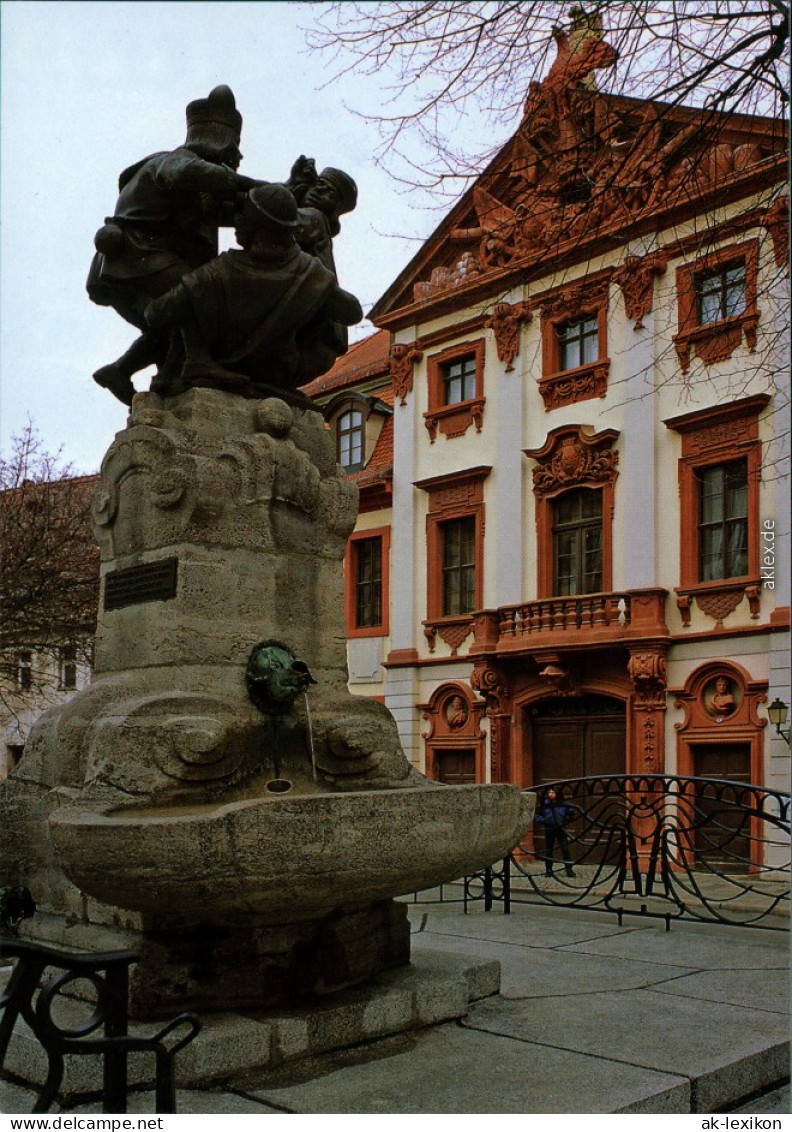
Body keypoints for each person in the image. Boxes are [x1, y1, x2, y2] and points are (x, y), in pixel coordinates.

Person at [87, 84, 262, 405]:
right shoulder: (172, 162)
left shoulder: (192, 185)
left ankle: (127, 372)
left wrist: (284, 192)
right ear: (218, 143)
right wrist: (261, 188)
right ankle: (197, 364)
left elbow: (230, 208)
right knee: (200, 289)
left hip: (133, 262)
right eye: (233, 149)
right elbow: (193, 174)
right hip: (136, 254)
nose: (237, 158)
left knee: (173, 322)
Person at [143, 183, 363, 395]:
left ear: (256, 227)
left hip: (224, 362)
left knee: (190, 294)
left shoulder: (215, 273)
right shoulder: (310, 272)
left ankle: (197, 361)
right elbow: (352, 312)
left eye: (243, 216)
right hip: (278, 371)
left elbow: (156, 313)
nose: (237, 220)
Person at [535, 787, 577, 877]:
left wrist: (564, 821)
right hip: (549, 829)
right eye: (549, 792)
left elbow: (571, 814)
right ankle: (548, 870)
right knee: (549, 850)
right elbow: (537, 815)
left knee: (565, 849)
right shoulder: (544, 804)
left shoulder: (563, 803)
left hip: (561, 829)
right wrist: (545, 820)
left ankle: (569, 869)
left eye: (553, 792)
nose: (551, 794)